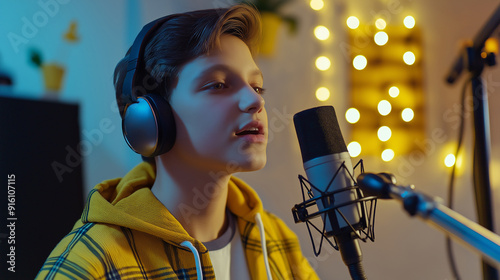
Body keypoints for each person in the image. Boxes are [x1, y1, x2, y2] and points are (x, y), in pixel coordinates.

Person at [36, 4, 318, 280]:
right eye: (219, 84)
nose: (256, 100)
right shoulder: (92, 261)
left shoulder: (276, 239)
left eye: (257, 86)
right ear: (149, 119)